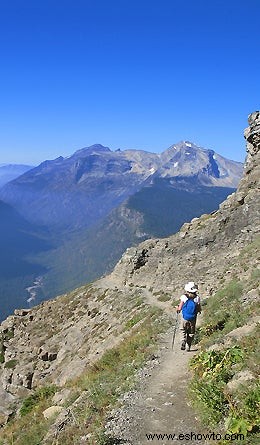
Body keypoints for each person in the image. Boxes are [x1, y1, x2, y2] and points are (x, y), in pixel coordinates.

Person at [176, 281, 201, 351]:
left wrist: (178, 309)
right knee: (191, 332)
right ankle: (188, 346)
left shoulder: (184, 297)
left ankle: (183, 340)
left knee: (182, 329)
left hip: (185, 317)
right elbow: (199, 307)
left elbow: (180, 306)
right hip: (193, 318)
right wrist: (199, 311)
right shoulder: (197, 298)